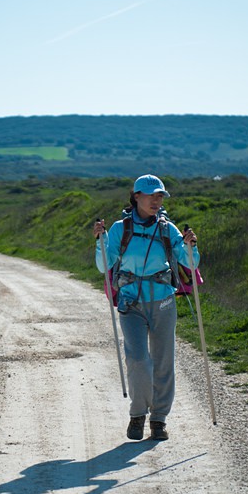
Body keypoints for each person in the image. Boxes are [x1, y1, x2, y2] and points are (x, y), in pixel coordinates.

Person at [93, 174, 199, 442]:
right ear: (136, 196)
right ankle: (138, 414)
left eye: (160, 195)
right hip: (131, 301)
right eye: (151, 195)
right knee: (138, 359)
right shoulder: (119, 228)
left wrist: (190, 246)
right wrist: (101, 242)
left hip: (163, 300)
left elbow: (191, 263)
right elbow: (103, 266)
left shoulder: (168, 229)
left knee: (163, 362)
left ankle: (159, 419)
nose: (156, 200)